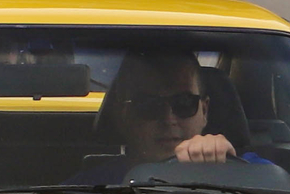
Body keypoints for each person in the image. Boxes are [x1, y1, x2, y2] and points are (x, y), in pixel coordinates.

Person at [69, 51, 273, 185]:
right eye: (149, 105)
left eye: (184, 103)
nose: (168, 118)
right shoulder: (89, 188)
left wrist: (224, 167)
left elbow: (285, 192)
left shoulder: (245, 170)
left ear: (205, 111)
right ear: (125, 114)